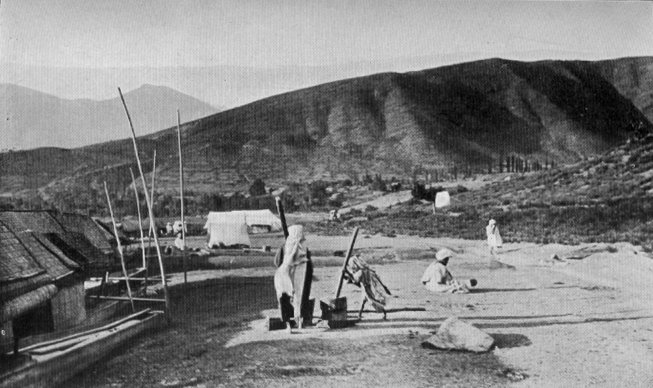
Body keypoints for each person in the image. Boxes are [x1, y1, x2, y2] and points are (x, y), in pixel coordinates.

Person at [274, 225, 309, 333]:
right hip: (284, 277)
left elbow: (276, 262)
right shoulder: (288, 248)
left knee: (293, 299)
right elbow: (280, 262)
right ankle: (291, 324)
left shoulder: (299, 248)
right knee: (288, 298)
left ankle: (295, 322)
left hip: (291, 276)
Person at [344, 255, 391, 320]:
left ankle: (384, 313)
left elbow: (355, 280)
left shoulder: (360, 272)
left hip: (366, 289)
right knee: (363, 302)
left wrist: (347, 272)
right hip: (367, 288)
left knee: (372, 301)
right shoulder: (367, 270)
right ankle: (359, 316)